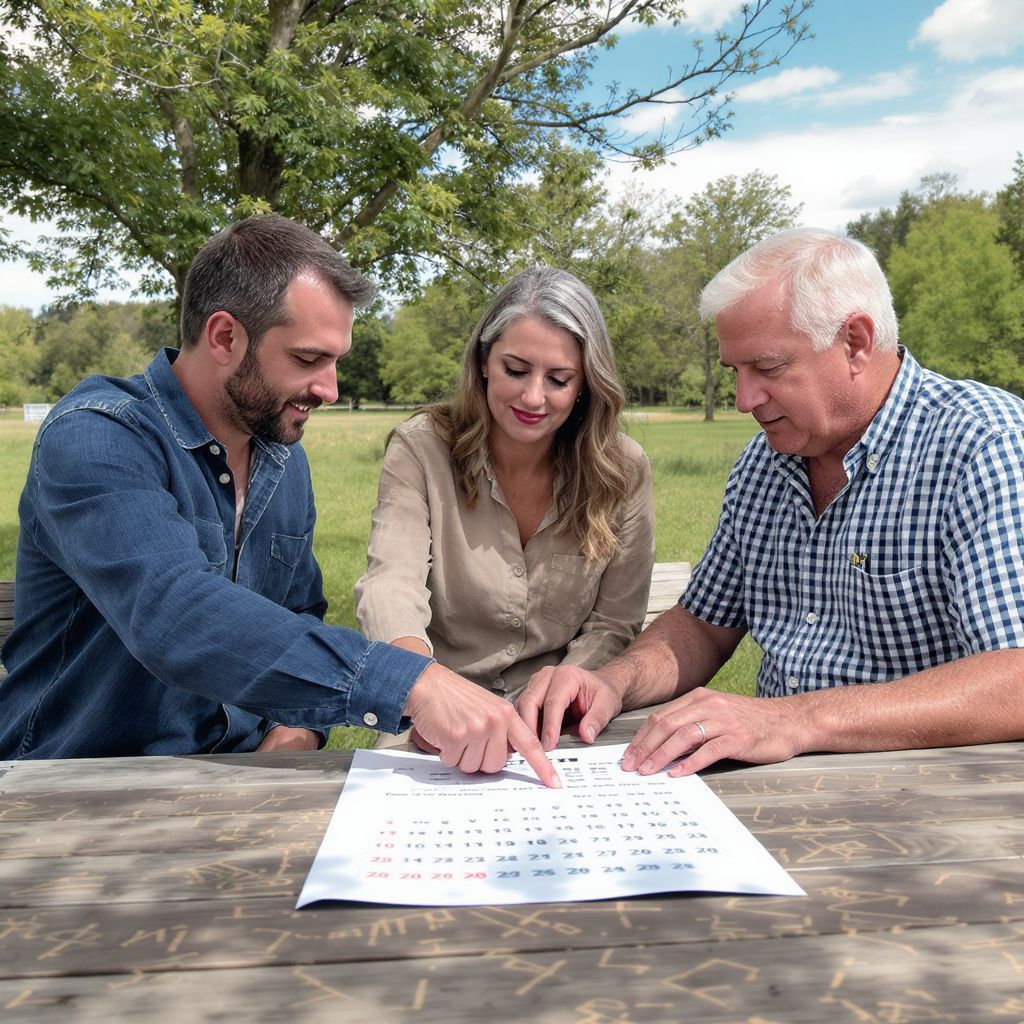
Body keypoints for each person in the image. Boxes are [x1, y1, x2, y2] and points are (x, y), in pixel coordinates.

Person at [0, 214, 557, 786]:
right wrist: (411, 681)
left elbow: (298, 611)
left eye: (335, 361)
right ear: (224, 337)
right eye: (308, 359)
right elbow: (172, 611)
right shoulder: (96, 437)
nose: (330, 389)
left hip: (240, 780)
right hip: (73, 785)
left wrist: (300, 731)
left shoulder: (281, 454)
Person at [517, 227, 1024, 775]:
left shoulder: (982, 445)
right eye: (737, 371)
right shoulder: (765, 463)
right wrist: (611, 682)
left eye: (769, 368)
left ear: (855, 341)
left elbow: (1015, 678)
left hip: (932, 802)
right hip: (780, 786)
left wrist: (794, 719)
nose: (743, 399)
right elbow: (703, 624)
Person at [354, 266, 655, 749]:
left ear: (585, 386)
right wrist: (421, 683)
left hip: (563, 715)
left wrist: (561, 689)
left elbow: (614, 623)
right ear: (483, 362)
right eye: (516, 370)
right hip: (440, 711)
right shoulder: (420, 449)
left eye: (558, 379)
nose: (533, 397)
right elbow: (390, 584)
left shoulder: (622, 469)